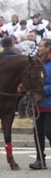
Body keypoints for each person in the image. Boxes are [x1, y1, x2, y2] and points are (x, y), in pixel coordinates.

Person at [30, 39, 51, 170]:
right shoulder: (38, 62)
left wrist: (43, 91)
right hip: (39, 102)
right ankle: (40, 160)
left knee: (48, 130)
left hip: (49, 102)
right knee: (37, 131)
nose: (39, 48)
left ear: (48, 47)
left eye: (41, 46)